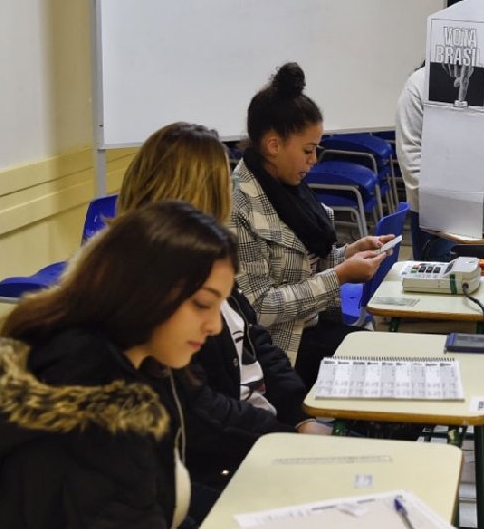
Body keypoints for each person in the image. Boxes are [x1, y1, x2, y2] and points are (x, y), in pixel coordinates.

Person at [0, 201, 237, 528]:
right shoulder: (95, 410)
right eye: (203, 304)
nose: (215, 326)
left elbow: (150, 500)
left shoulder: (116, 360)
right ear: (147, 292)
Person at [117, 122, 328, 523]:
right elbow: (198, 415)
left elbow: (257, 338)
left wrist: (299, 416)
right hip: (218, 463)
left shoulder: (202, 261)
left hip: (246, 441)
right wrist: (287, 438)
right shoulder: (153, 289)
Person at [231, 62, 394, 390]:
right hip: (279, 350)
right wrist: (340, 275)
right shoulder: (240, 205)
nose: (314, 159)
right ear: (274, 146)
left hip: (310, 327)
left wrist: (348, 254)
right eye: (308, 150)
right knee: (378, 373)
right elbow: (258, 307)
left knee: (384, 358)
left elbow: (305, 265)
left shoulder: (286, 186)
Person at [394, 64, 455, 261]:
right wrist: (436, 208)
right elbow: (410, 154)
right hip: (435, 216)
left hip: (480, 212)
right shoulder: (420, 83)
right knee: (435, 274)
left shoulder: (483, 78)